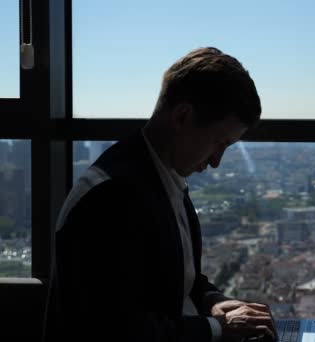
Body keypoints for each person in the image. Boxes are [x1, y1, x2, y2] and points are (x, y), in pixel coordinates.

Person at [43, 47, 277, 342]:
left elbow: (178, 279)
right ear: (182, 118)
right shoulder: (111, 199)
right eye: (219, 142)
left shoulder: (158, 178)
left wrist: (213, 301)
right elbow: (117, 331)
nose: (217, 161)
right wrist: (220, 328)